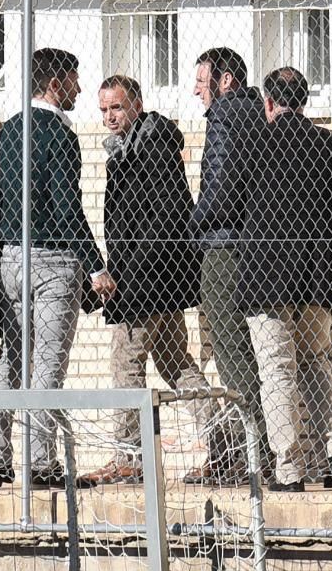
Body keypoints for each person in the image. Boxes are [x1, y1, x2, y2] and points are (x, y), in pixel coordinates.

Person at [77, 76, 225, 486]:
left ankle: (130, 456)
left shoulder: (151, 147)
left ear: (137, 105)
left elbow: (160, 220)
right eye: (104, 109)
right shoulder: (132, 148)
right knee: (177, 365)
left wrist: (124, 278)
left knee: (126, 365)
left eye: (117, 108)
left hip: (145, 282)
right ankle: (225, 445)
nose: (110, 117)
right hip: (161, 280)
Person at [0, 47, 116, 489]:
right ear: (56, 84)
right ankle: (41, 464)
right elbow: (66, 205)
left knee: (13, 358)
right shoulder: (59, 134)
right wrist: (96, 266)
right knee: (49, 365)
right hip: (54, 261)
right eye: (75, 81)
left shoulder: (10, 130)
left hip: (11, 259)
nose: (79, 88)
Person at [237, 67, 332, 492]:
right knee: (314, 360)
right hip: (317, 279)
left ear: (268, 103)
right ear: (305, 100)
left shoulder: (250, 145)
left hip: (265, 278)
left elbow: (227, 206)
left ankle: (289, 468)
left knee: (276, 370)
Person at [188, 47, 268, 484]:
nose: (197, 92)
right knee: (252, 348)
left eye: (202, 83)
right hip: (255, 245)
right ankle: (258, 446)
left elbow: (219, 191)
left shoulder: (224, 117)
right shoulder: (259, 114)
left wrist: (188, 226)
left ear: (224, 81)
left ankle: (251, 450)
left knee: (229, 345)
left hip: (224, 246)